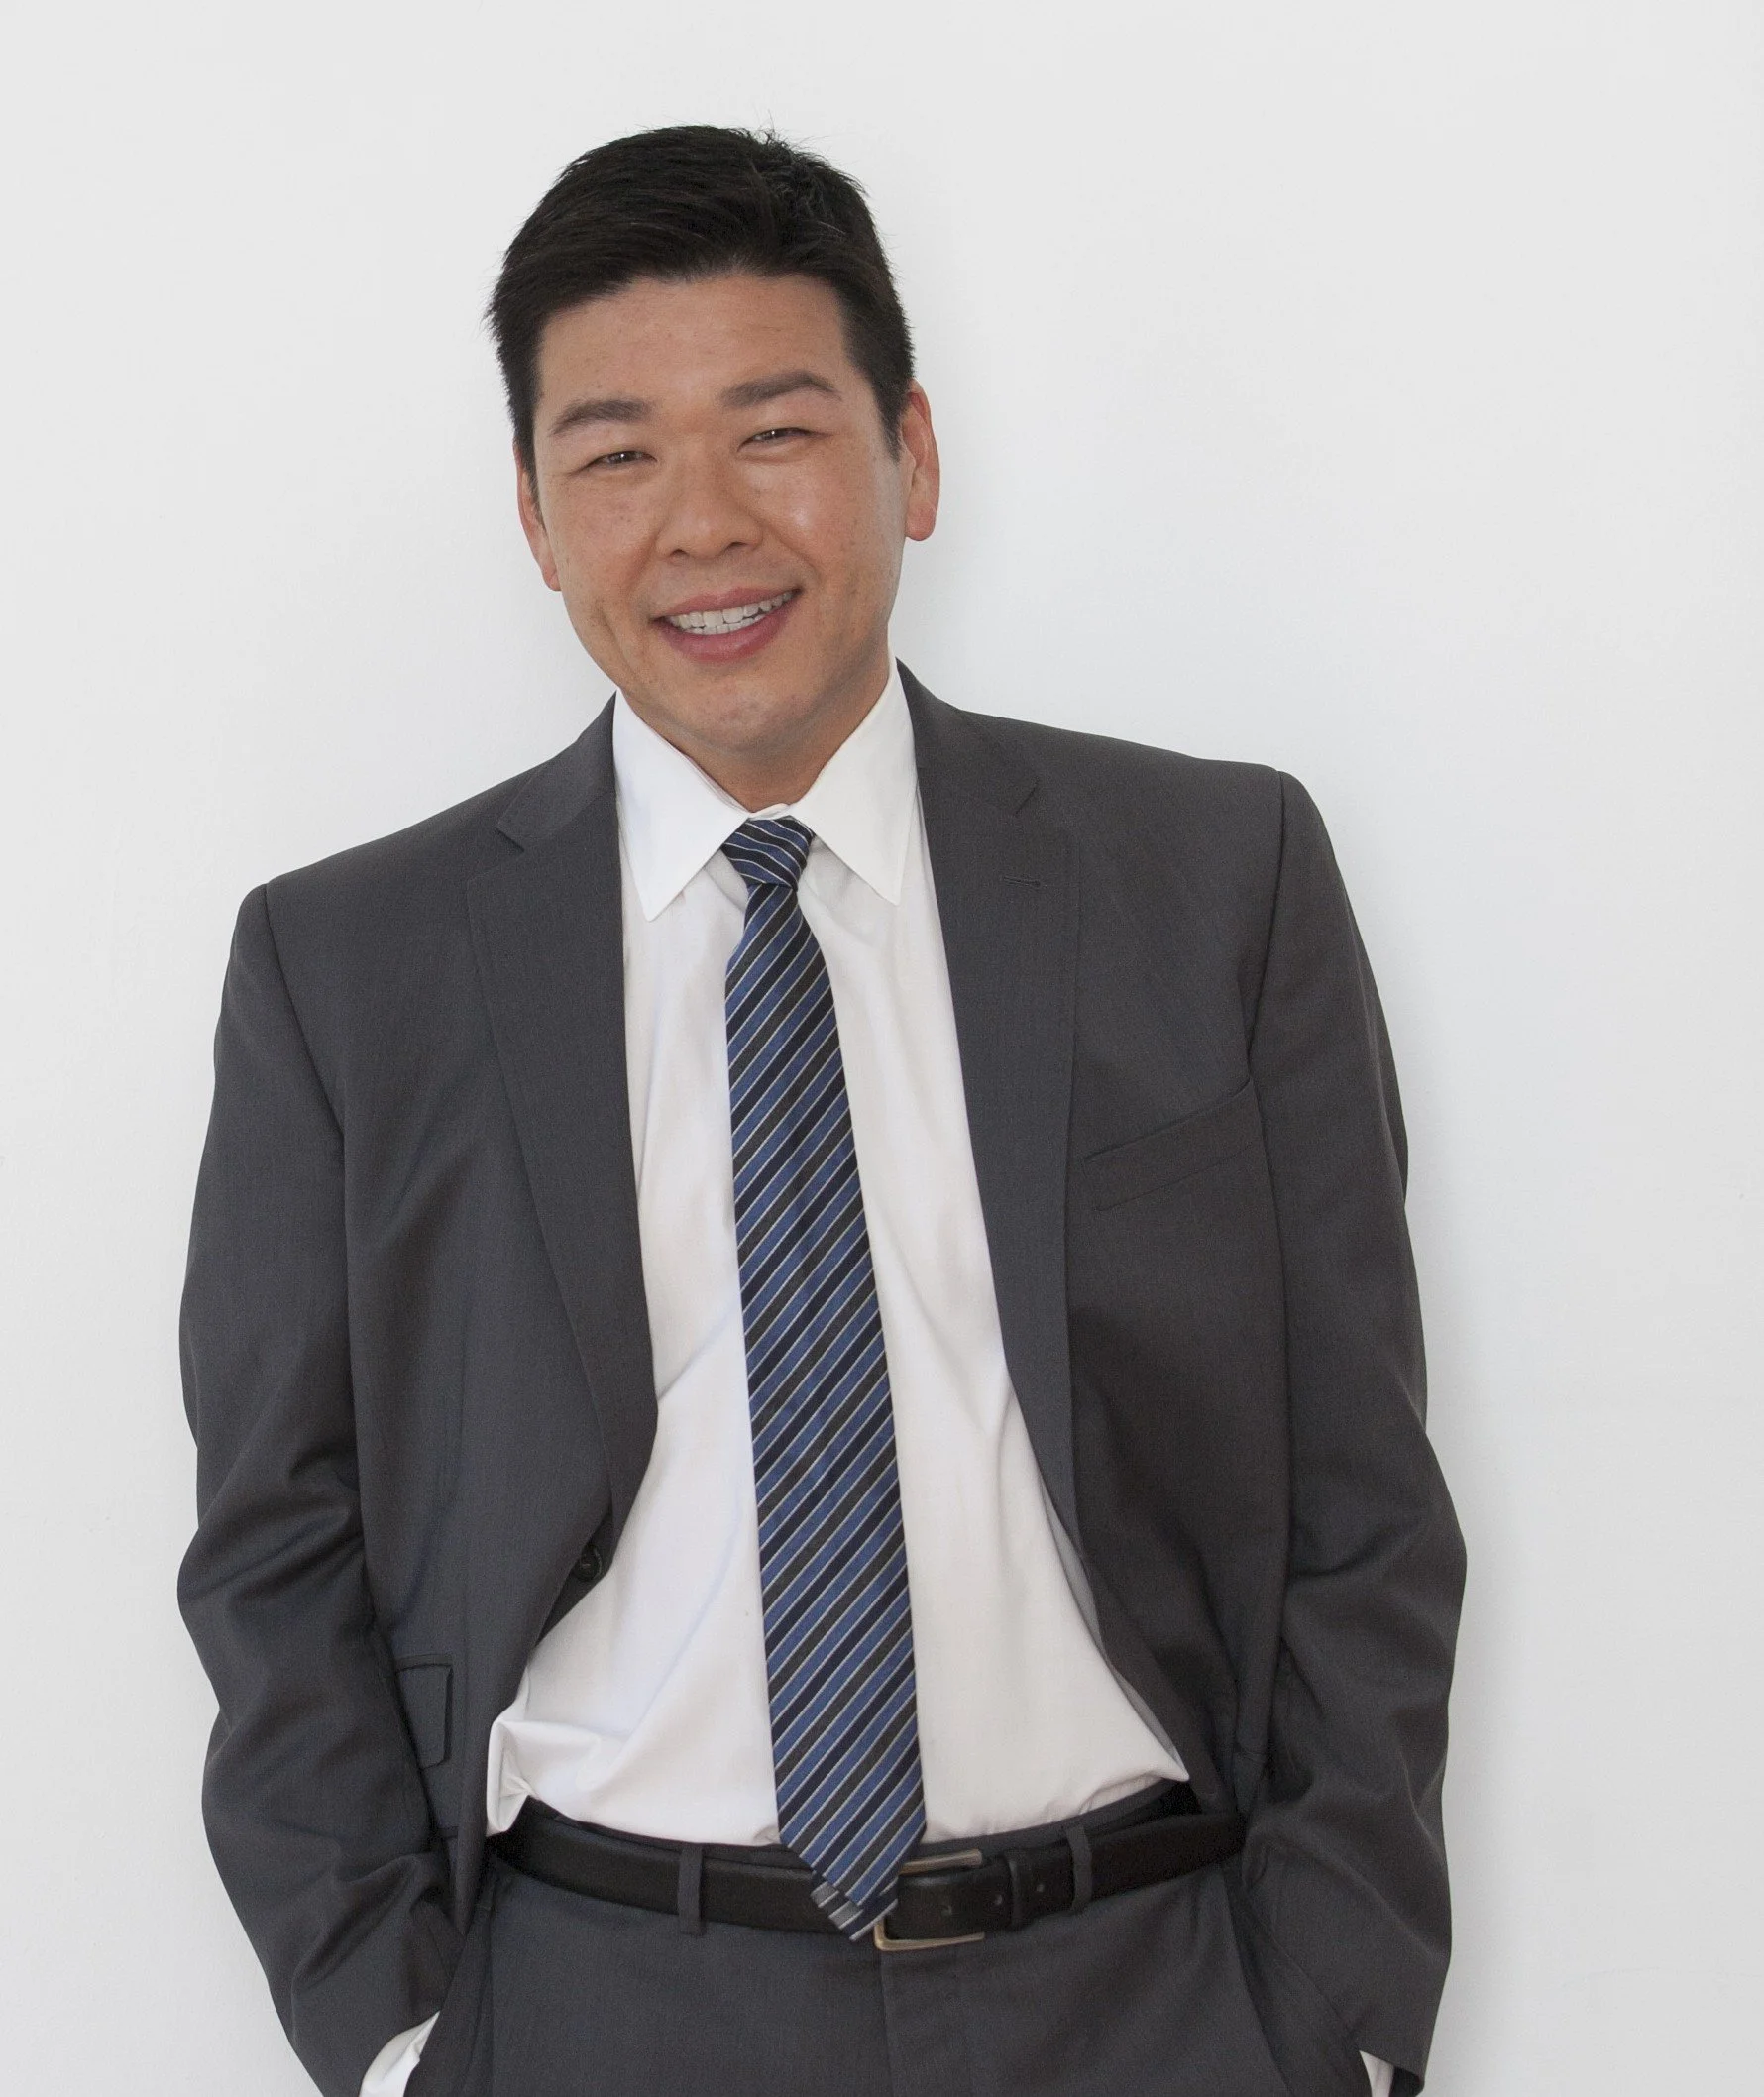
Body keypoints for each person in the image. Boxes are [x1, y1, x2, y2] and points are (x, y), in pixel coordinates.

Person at [178, 126, 1464, 2097]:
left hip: (1149, 1989)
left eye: (772, 431)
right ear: (532, 515)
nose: (701, 522)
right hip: (596, 2004)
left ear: (908, 458)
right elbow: (281, 1543)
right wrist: (398, 2029)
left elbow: (1359, 1496)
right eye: (614, 455)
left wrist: (1330, 2006)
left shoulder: (1215, 881)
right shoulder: (347, 969)